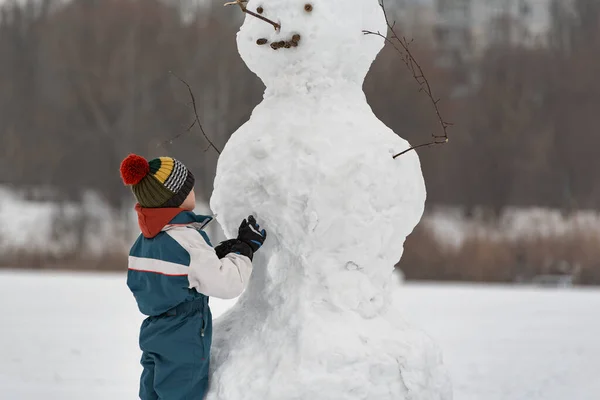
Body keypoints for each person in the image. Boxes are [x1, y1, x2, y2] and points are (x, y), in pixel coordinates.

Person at [119, 154, 267, 400]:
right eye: (188, 188)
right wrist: (244, 248)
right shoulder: (187, 241)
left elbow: (171, 276)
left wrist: (212, 256)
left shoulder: (143, 243)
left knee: (152, 394)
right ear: (174, 199)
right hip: (184, 335)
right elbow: (228, 283)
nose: (193, 192)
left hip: (154, 332)